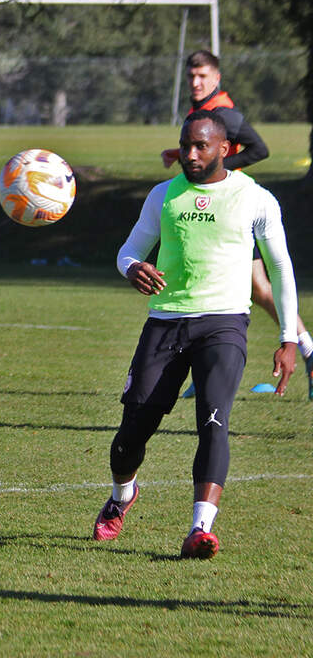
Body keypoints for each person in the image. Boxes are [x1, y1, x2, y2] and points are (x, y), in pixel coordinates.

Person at [94, 109, 297, 559]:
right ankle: (123, 495)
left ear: (225, 149)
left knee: (214, 422)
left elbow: (281, 269)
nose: (189, 153)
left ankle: (200, 529)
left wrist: (289, 337)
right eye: (186, 144)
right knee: (132, 432)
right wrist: (134, 269)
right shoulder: (163, 195)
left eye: (200, 145)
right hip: (166, 322)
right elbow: (128, 252)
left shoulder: (255, 198)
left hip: (224, 323)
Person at [161, 50, 313, 398]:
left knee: (236, 287)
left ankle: (304, 350)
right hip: (215, 209)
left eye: (203, 76)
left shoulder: (224, 112)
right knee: (257, 290)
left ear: (217, 78)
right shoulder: (206, 113)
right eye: (191, 76)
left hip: (231, 211)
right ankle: (305, 352)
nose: (196, 82)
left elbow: (260, 149)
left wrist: (222, 164)